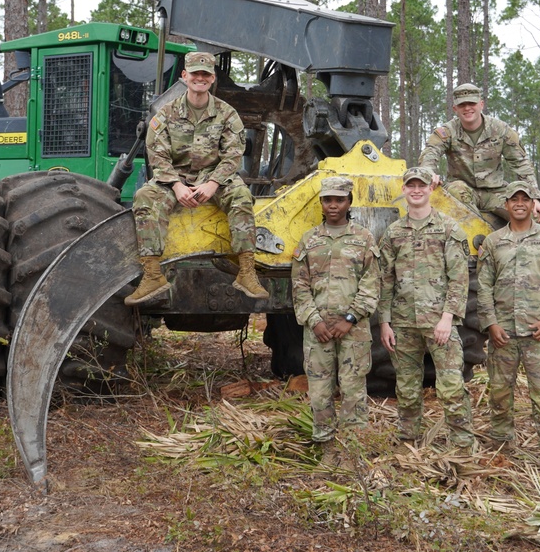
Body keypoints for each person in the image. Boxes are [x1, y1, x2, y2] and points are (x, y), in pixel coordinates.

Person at [126, 51, 269, 305]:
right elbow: (157, 154)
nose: (200, 78)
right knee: (145, 196)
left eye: (205, 74)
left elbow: (233, 155)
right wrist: (177, 186)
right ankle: (152, 275)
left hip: (214, 177)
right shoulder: (166, 114)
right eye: (195, 74)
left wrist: (213, 184)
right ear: (185, 76)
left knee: (241, 196)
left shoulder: (227, 114)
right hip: (175, 177)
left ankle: (247, 271)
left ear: (212, 78)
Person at [476, 180, 540, 475]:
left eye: (525, 199)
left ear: (533, 205)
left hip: (537, 334)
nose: (519, 203)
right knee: (500, 394)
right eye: (513, 199)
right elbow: (483, 287)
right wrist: (490, 323)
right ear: (506, 205)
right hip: (502, 334)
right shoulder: (493, 243)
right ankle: (502, 445)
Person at [379, 167, 474, 453]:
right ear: (404, 190)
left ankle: (461, 445)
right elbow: (384, 279)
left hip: (439, 322)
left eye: (421, 185)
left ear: (430, 189)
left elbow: (459, 277)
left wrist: (448, 318)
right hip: (403, 322)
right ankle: (409, 441)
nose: (416, 190)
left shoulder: (448, 228)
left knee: (451, 388)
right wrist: (384, 322)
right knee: (407, 388)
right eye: (411, 186)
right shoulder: (394, 233)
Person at [291, 176, 380, 461]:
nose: (333, 205)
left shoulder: (364, 238)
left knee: (353, 390)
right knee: (319, 392)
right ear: (321, 203)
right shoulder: (309, 240)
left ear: (349, 203)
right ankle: (326, 448)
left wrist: (350, 318)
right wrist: (314, 321)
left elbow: (372, 283)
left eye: (339, 200)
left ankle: (354, 451)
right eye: (328, 200)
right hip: (318, 330)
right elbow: (299, 285)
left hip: (353, 331)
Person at [418, 83, 540, 225]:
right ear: (455, 109)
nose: (467, 108)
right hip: (462, 192)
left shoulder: (500, 130)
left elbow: (521, 163)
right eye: (462, 105)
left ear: (481, 104)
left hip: (496, 192)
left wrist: (534, 197)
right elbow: (430, 154)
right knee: (456, 191)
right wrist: (428, 172)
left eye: (472, 103)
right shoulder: (447, 132)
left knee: (533, 216)